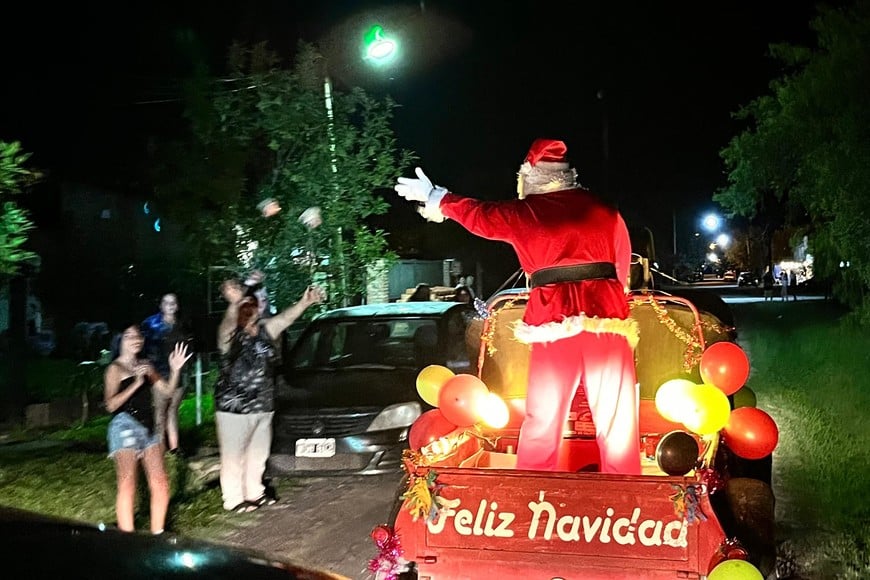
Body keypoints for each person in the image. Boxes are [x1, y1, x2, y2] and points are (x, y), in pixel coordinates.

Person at [395, 138, 641, 474]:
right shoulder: (606, 211)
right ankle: (628, 494)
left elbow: (480, 215)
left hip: (552, 320)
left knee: (544, 418)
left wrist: (438, 197)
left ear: (529, 176)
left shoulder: (526, 213)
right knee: (617, 418)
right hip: (607, 319)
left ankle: (532, 490)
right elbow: (622, 269)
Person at [215, 279, 325, 513]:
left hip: (263, 404)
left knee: (258, 453)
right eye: (245, 306)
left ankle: (255, 493)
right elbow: (226, 326)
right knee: (234, 455)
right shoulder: (230, 336)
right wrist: (234, 303)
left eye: (252, 305)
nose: (250, 309)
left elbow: (285, 319)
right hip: (234, 407)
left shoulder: (264, 331)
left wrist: (305, 303)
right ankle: (233, 499)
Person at [104, 325, 191, 533]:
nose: (135, 339)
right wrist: (135, 383)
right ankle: (127, 537)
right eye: (129, 335)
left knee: (160, 482)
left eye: (138, 335)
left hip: (148, 426)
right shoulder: (114, 369)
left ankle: (157, 534)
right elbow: (110, 405)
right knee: (127, 483)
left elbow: (168, 392)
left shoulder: (146, 365)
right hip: (124, 424)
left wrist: (175, 370)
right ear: (120, 341)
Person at [141, 293, 191, 454]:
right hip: (159, 374)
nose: (170, 305)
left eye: (173, 302)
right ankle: (159, 449)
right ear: (161, 305)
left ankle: (175, 448)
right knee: (160, 413)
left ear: (177, 306)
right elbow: (143, 349)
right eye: (166, 302)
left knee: (172, 410)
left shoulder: (183, 324)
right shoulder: (150, 324)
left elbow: (189, 348)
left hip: (179, 375)